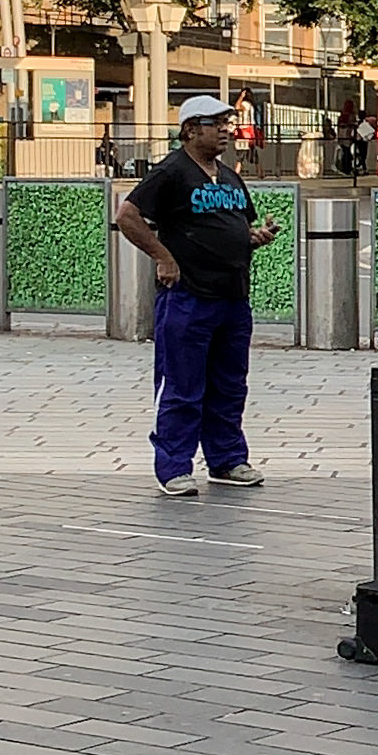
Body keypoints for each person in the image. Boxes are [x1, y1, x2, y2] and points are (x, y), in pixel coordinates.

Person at [115, 95, 279, 496]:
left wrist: (254, 237)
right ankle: (173, 467)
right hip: (188, 297)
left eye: (227, 123)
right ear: (190, 130)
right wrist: (163, 257)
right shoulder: (172, 171)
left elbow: (234, 227)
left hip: (233, 297)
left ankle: (227, 460)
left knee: (230, 385)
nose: (225, 130)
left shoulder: (229, 177)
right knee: (182, 385)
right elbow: (127, 216)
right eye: (215, 123)